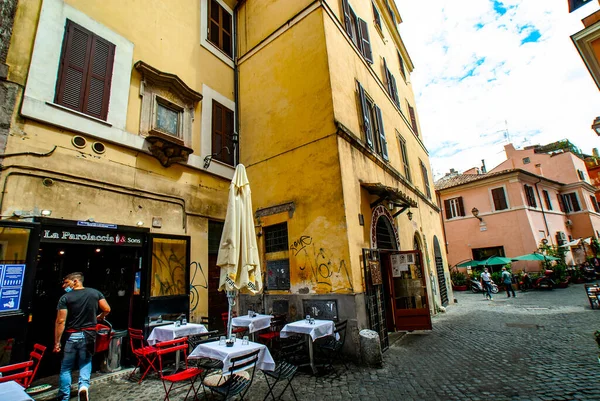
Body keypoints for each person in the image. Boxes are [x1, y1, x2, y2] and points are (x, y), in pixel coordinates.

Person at [54, 272, 111, 401]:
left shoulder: (65, 298)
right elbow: (107, 308)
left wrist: (57, 342)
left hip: (72, 335)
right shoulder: (95, 293)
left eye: (66, 282)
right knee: (85, 362)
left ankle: (64, 396)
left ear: (75, 281)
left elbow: (60, 321)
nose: (64, 285)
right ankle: (83, 387)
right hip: (89, 335)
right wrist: (101, 316)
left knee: (66, 367)